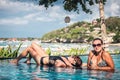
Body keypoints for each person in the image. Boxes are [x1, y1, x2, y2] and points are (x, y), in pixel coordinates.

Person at [11, 42, 82, 69]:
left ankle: (16, 60)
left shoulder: (66, 64)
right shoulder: (66, 59)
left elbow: (59, 64)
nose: (71, 56)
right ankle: (28, 60)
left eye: (73, 57)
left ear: (73, 62)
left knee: (29, 49)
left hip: (41, 60)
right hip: (46, 56)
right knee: (33, 44)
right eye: (73, 56)